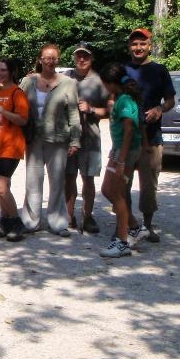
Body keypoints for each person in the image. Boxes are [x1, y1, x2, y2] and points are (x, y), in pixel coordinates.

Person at [20, 43, 81, 237]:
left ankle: (57, 222)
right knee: (32, 181)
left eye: (53, 58)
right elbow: (18, 105)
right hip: (33, 139)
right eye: (46, 58)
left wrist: (75, 139)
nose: (49, 61)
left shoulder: (68, 83)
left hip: (58, 139)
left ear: (58, 60)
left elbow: (73, 112)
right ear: (40, 59)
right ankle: (31, 221)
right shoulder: (28, 82)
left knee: (57, 182)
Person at [125, 27, 176, 243]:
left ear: (150, 46)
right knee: (122, 183)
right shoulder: (122, 70)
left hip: (152, 137)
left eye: (142, 43)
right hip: (126, 137)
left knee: (149, 185)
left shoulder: (160, 70)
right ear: (130, 47)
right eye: (135, 44)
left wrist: (159, 110)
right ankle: (128, 224)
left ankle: (147, 225)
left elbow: (171, 100)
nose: (138, 47)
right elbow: (111, 99)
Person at [97, 64, 144, 259]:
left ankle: (122, 241)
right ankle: (133, 227)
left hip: (124, 152)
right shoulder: (121, 97)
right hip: (117, 150)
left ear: (110, 83)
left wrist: (122, 159)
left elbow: (129, 129)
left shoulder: (125, 99)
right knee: (108, 190)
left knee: (117, 194)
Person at [65, 43, 109, 234]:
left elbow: (110, 110)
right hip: (67, 136)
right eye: (78, 56)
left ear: (92, 58)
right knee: (68, 177)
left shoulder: (100, 81)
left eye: (86, 56)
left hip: (90, 136)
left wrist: (91, 109)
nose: (81, 59)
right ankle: (68, 216)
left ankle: (87, 216)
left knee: (88, 178)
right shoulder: (66, 78)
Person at [0, 58, 29, 241]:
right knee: (3, 186)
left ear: (11, 72)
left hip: (11, 146)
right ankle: (5, 221)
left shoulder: (17, 92)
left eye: (3, 70)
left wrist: (0, 110)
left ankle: (17, 223)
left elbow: (22, 119)